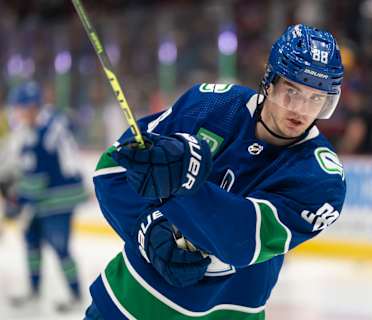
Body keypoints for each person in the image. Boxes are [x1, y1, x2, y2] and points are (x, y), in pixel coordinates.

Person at [85, 24, 346, 319]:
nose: (300, 109)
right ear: (269, 83)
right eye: (292, 92)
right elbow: (113, 170)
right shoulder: (209, 105)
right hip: (127, 304)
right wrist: (148, 229)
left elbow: (242, 241)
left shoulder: (321, 179)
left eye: (316, 98)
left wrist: (186, 180)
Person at [7, 81, 87, 312]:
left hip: (61, 196)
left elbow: (38, 176)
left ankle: (75, 295)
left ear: (32, 107)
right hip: (47, 195)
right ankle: (34, 290)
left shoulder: (47, 128)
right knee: (31, 238)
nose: (19, 114)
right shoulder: (37, 126)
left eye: (22, 108)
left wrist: (17, 201)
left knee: (59, 245)